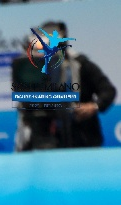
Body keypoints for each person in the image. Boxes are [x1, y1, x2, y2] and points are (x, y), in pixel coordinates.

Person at [12, 21, 116, 151]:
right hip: (42, 135)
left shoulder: (81, 64)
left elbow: (108, 91)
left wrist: (94, 106)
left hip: (81, 135)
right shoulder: (32, 69)